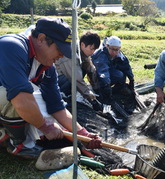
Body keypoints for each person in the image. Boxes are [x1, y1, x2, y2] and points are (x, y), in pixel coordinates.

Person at [0, 17, 101, 159]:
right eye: (59, 49)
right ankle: (17, 144)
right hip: (7, 97)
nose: (61, 56)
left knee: (43, 113)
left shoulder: (47, 67)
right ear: (41, 38)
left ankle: (6, 132)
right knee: (9, 95)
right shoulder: (11, 46)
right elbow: (22, 99)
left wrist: (82, 134)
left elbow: (56, 106)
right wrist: (45, 126)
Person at [55, 31, 103, 112]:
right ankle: (64, 97)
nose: (93, 52)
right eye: (91, 49)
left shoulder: (82, 51)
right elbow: (77, 79)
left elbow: (90, 69)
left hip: (66, 75)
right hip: (57, 79)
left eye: (94, 50)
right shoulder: (71, 54)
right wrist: (92, 99)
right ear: (83, 45)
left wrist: (97, 89)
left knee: (84, 68)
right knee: (71, 80)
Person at [91, 36, 134, 105]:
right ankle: (101, 91)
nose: (114, 52)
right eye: (112, 49)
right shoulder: (101, 55)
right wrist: (107, 85)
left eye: (116, 50)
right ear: (107, 46)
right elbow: (103, 71)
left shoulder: (119, 55)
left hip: (110, 70)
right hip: (97, 75)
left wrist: (131, 79)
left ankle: (118, 89)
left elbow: (126, 66)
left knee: (121, 74)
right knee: (116, 75)